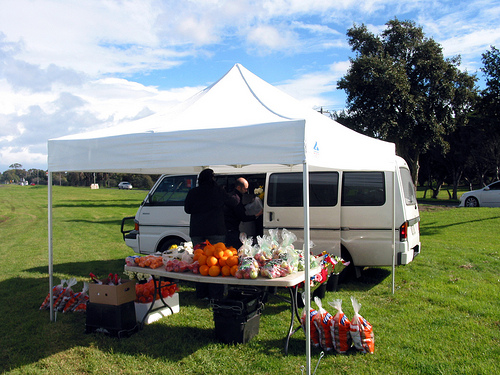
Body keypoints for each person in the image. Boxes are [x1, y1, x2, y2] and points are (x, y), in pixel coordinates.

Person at [184, 168, 235, 299]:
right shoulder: (218, 191)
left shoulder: (193, 192)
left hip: (197, 231)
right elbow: (233, 202)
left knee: (200, 262)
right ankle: (216, 294)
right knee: (216, 263)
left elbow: (187, 209)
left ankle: (201, 293)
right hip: (215, 230)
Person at [224, 177, 263, 249]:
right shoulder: (236, 199)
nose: (246, 191)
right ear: (239, 187)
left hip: (229, 228)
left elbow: (239, 209)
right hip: (231, 229)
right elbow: (242, 216)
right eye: (245, 189)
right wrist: (256, 215)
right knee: (235, 248)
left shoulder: (233, 196)